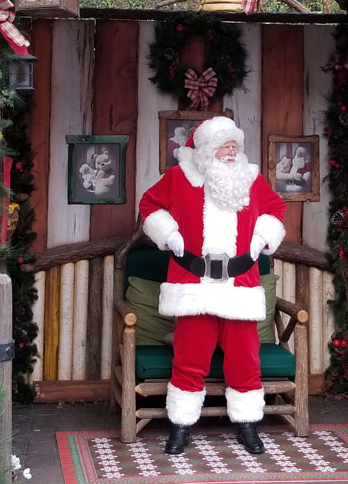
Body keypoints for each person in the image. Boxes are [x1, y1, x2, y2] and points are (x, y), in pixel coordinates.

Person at [139, 116, 286, 456]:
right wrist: (169, 235)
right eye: (225, 146)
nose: (232, 151)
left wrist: (260, 239)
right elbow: (149, 205)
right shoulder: (179, 178)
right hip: (194, 284)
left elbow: (276, 210)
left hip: (239, 285)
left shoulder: (251, 179)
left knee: (245, 359)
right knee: (189, 358)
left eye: (235, 145)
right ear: (205, 151)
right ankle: (181, 425)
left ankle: (247, 423)